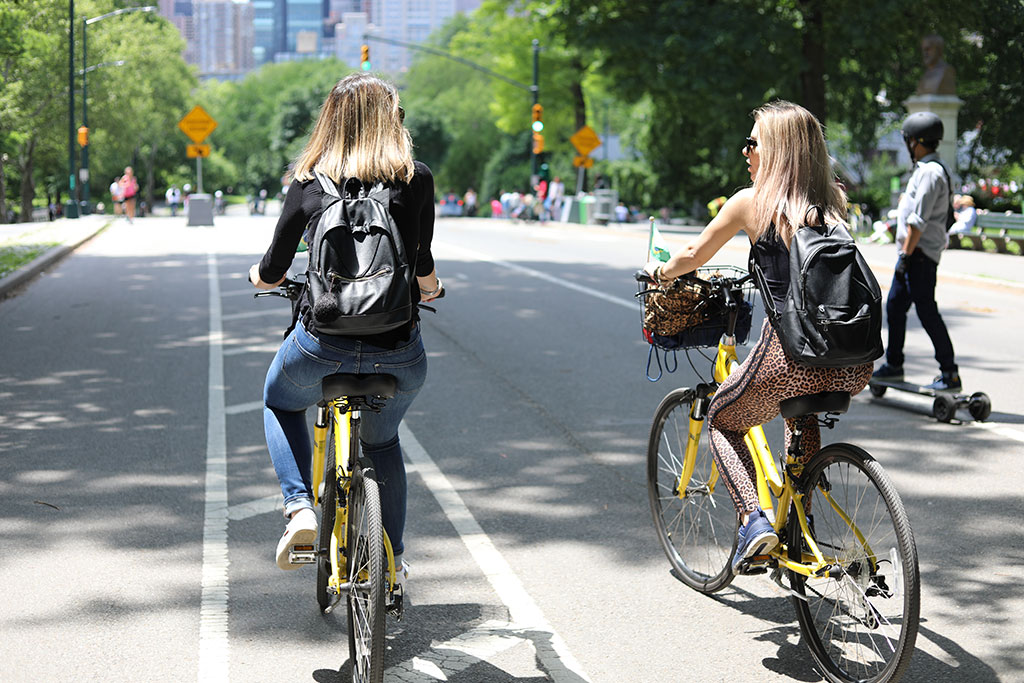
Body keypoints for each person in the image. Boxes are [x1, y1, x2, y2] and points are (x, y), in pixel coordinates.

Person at [643, 101, 873, 574]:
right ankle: (799, 532)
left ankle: (754, 522)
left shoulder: (753, 201)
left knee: (724, 419)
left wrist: (661, 272)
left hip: (791, 356)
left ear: (778, 152)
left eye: (753, 143)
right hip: (851, 360)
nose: (744, 151)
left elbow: (692, 253)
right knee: (800, 415)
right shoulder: (832, 203)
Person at [248, 73, 442, 583]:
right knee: (382, 444)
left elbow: (273, 267)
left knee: (279, 399)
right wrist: (432, 288)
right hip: (397, 350)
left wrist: (259, 277)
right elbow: (422, 264)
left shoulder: (310, 181)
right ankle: (392, 565)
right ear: (391, 120)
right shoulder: (415, 177)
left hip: (322, 345)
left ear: (330, 121)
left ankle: (299, 510)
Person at [871, 112, 960, 391]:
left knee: (927, 312)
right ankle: (894, 365)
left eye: (909, 141)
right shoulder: (926, 170)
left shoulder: (931, 174)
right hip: (913, 254)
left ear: (916, 142)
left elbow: (917, 223)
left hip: (918, 256)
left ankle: (950, 373)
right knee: (896, 308)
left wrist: (905, 257)